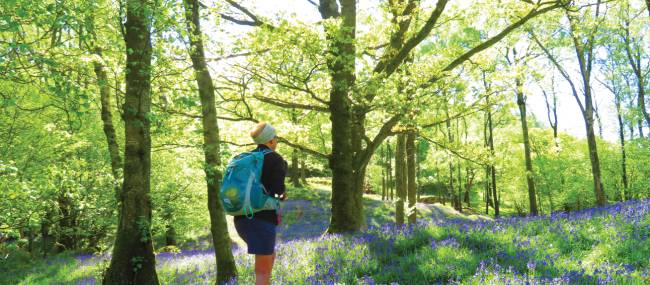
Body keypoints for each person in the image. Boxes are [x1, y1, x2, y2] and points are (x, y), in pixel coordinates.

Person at [234, 122, 287, 285]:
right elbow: (277, 191)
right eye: (276, 138)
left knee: (269, 257)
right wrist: (282, 195)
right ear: (270, 141)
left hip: (241, 218)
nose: (277, 141)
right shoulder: (275, 159)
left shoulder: (246, 158)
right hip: (262, 219)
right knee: (262, 272)